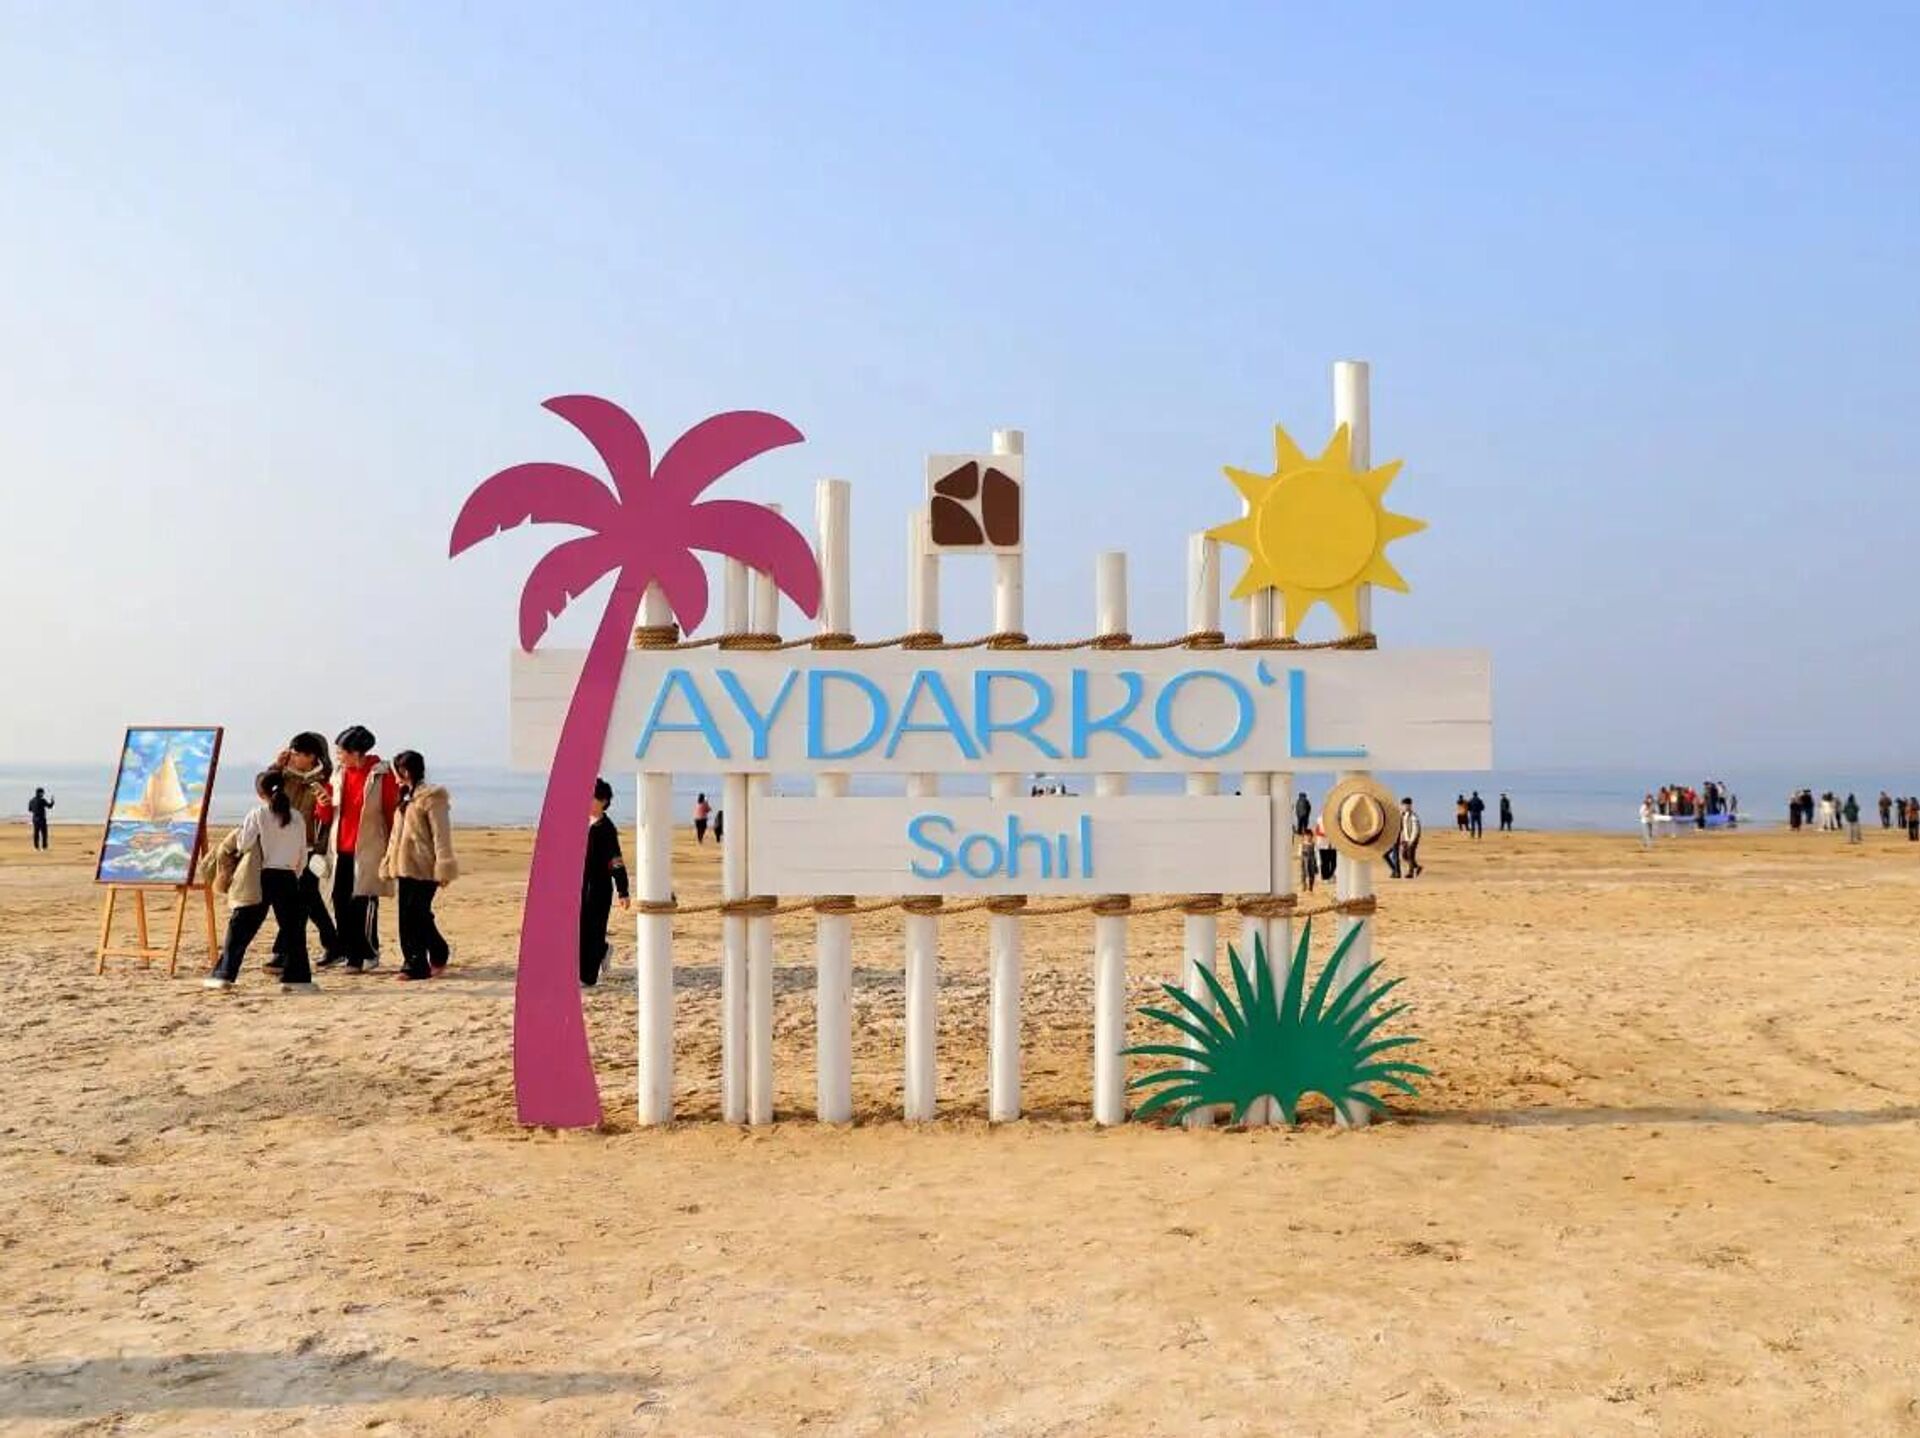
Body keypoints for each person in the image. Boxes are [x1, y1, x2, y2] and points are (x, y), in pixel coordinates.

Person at [203, 770, 312, 989]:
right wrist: (295, 874)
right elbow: (302, 853)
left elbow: (244, 844)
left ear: (260, 793)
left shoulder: (258, 814)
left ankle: (224, 974)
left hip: (260, 875)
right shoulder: (297, 817)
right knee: (293, 930)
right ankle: (297, 978)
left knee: (241, 926)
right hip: (288, 876)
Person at [322, 725, 398, 972]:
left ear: (356, 752)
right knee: (339, 899)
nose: (337, 756)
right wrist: (322, 803)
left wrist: (392, 848)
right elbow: (327, 814)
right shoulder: (338, 774)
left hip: (369, 847)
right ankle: (351, 952)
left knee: (363, 902)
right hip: (340, 847)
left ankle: (366, 953)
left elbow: (391, 812)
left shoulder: (381, 774)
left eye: (341, 751)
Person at [381, 750, 459, 981]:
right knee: (407, 916)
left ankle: (426, 959)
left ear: (405, 771)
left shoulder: (432, 797)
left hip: (426, 866)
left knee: (418, 913)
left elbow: (441, 835)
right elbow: (396, 835)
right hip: (404, 865)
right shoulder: (406, 797)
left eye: (397, 771)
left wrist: (444, 866)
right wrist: (388, 860)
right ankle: (418, 960)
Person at [270, 732, 337, 973]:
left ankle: (283, 951)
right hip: (283, 846)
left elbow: (327, 820)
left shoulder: (325, 781)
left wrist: (321, 849)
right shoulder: (284, 776)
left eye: (298, 754)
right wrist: (276, 766)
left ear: (312, 757)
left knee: (299, 899)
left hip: (310, 848)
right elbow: (263, 788)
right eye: (293, 752)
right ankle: (333, 944)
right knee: (308, 900)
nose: (294, 757)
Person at [581, 777, 630, 987]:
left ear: (603, 801)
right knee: (580, 929)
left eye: (591, 797)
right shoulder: (580, 823)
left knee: (593, 930)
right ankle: (602, 950)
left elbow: (615, 860)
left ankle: (587, 977)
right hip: (581, 886)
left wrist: (623, 890)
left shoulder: (606, 829)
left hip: (599, 889)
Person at [1399, 799, 1423, 877]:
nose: (1404, 807)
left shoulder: (1413, 816)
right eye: (1403, 805)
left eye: (1406, 805)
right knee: (1404, 855)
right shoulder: (1403, 815)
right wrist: (1402, 838)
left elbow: (1416, 830)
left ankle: (1410, 873)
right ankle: (1417, 867)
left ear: (1410, 806)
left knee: (1410, 855)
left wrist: (1411, 840)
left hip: (1412, 839)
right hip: (1405, 839)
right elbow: (1403, 828)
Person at [1315, 817, 1337, 882]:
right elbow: (1317, 831)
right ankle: (1325, 877)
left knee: (1333, 862)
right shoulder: (1320, 818)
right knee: (1324, 862)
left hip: (1332, 843)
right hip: (1322, 843)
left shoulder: (1335, 818)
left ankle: (1330, 876)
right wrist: (1325, 835)